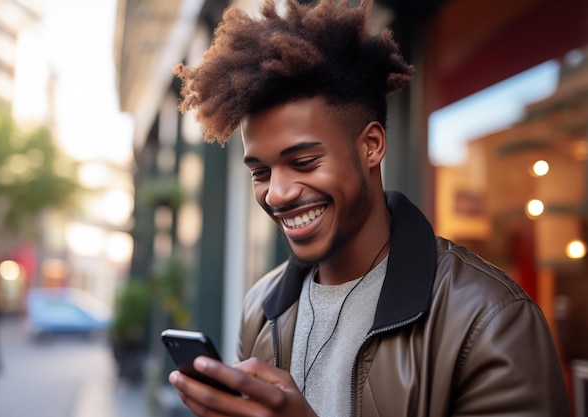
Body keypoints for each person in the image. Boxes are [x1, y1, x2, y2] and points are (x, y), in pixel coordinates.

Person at [168, 0, 570, 416]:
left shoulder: (489, 320)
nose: (277, 194)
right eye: (260, 172)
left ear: (371, 147)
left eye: (303, 163)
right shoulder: (261, 307)